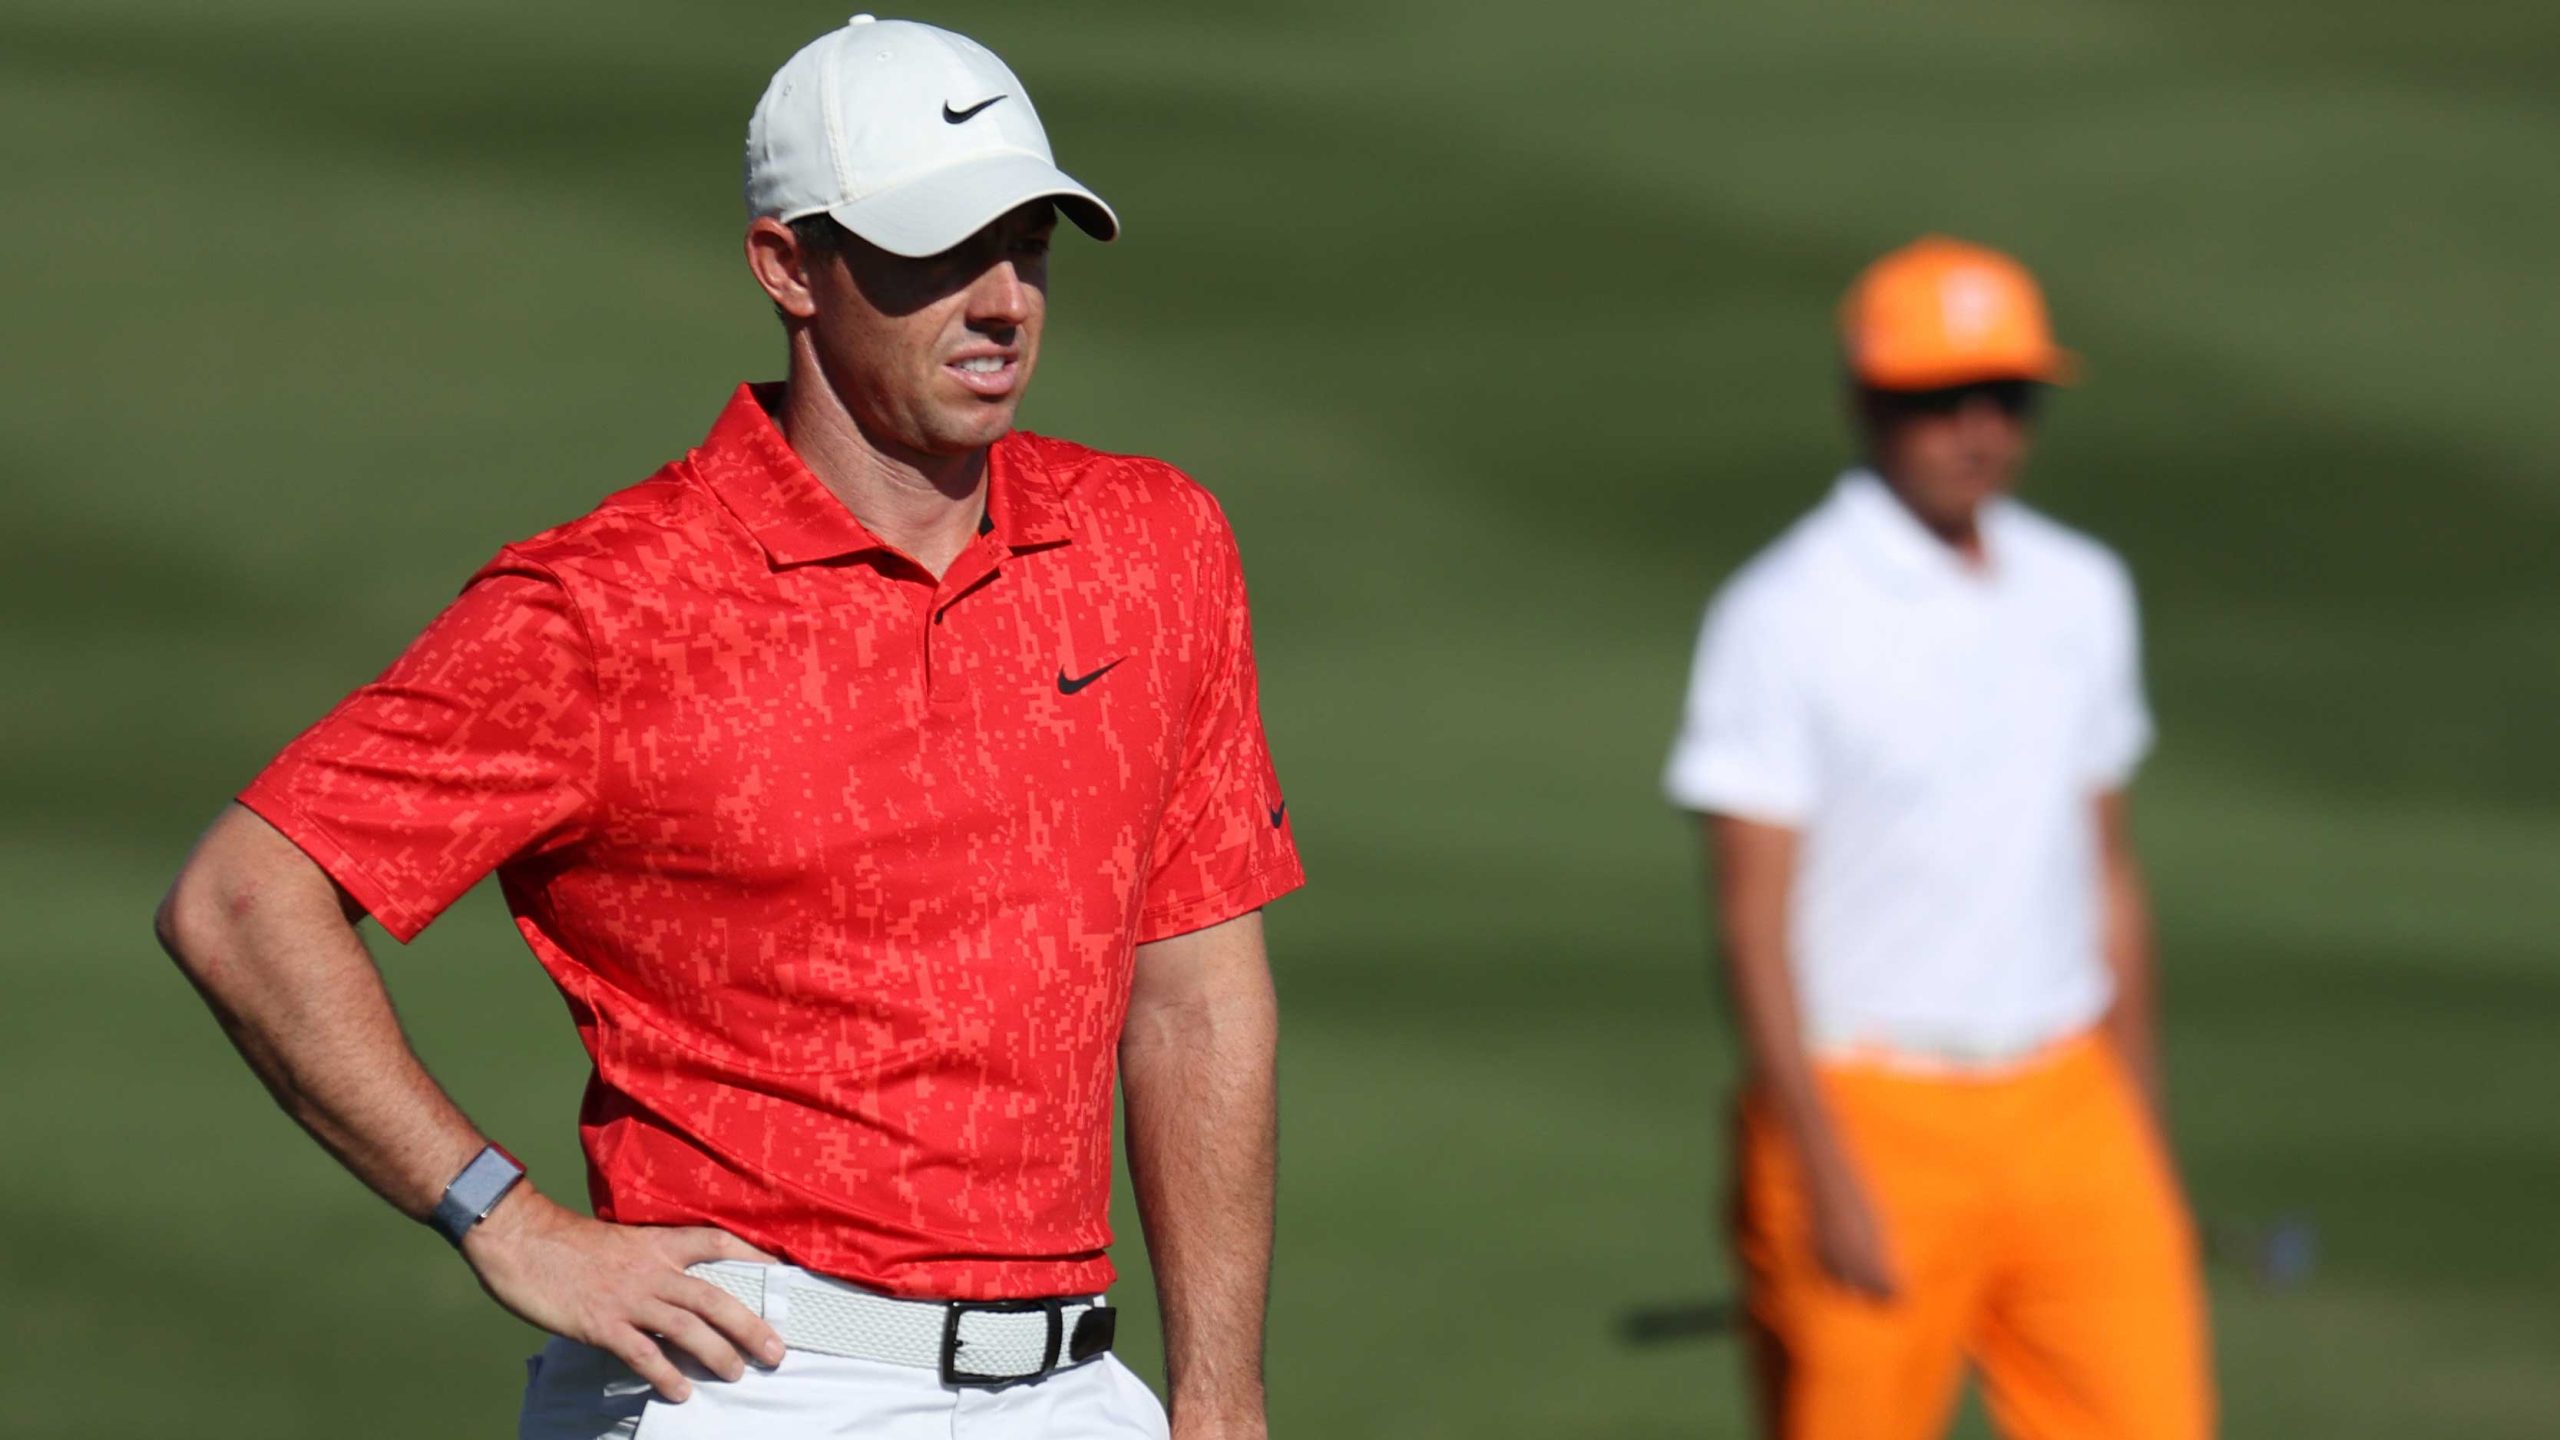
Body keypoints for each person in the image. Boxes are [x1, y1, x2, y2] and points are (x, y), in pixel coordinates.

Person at [154, 16, 1300, 1439]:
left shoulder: (1152, 543)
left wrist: (1219, 1397)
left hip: (1080, 1394)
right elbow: (245, 897)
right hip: (748, 1385)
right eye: (938, 252)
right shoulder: (608, 606)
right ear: (786, 266)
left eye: (1030, 243)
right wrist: (505, 1222)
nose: (1003, 298)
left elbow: (1195, 996)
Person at [1663, 236, 2213, 1440]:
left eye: (2006, 399)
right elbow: (1750, 927)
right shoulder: (1781, 615)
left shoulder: (2081, 592)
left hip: (2070, 1105)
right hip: (1867, 1110)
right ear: (1868, 405)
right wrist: (1819, 1169)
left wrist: (2140, 1142)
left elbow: (2106, 875)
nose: (1977, 431)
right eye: (1936, 401)